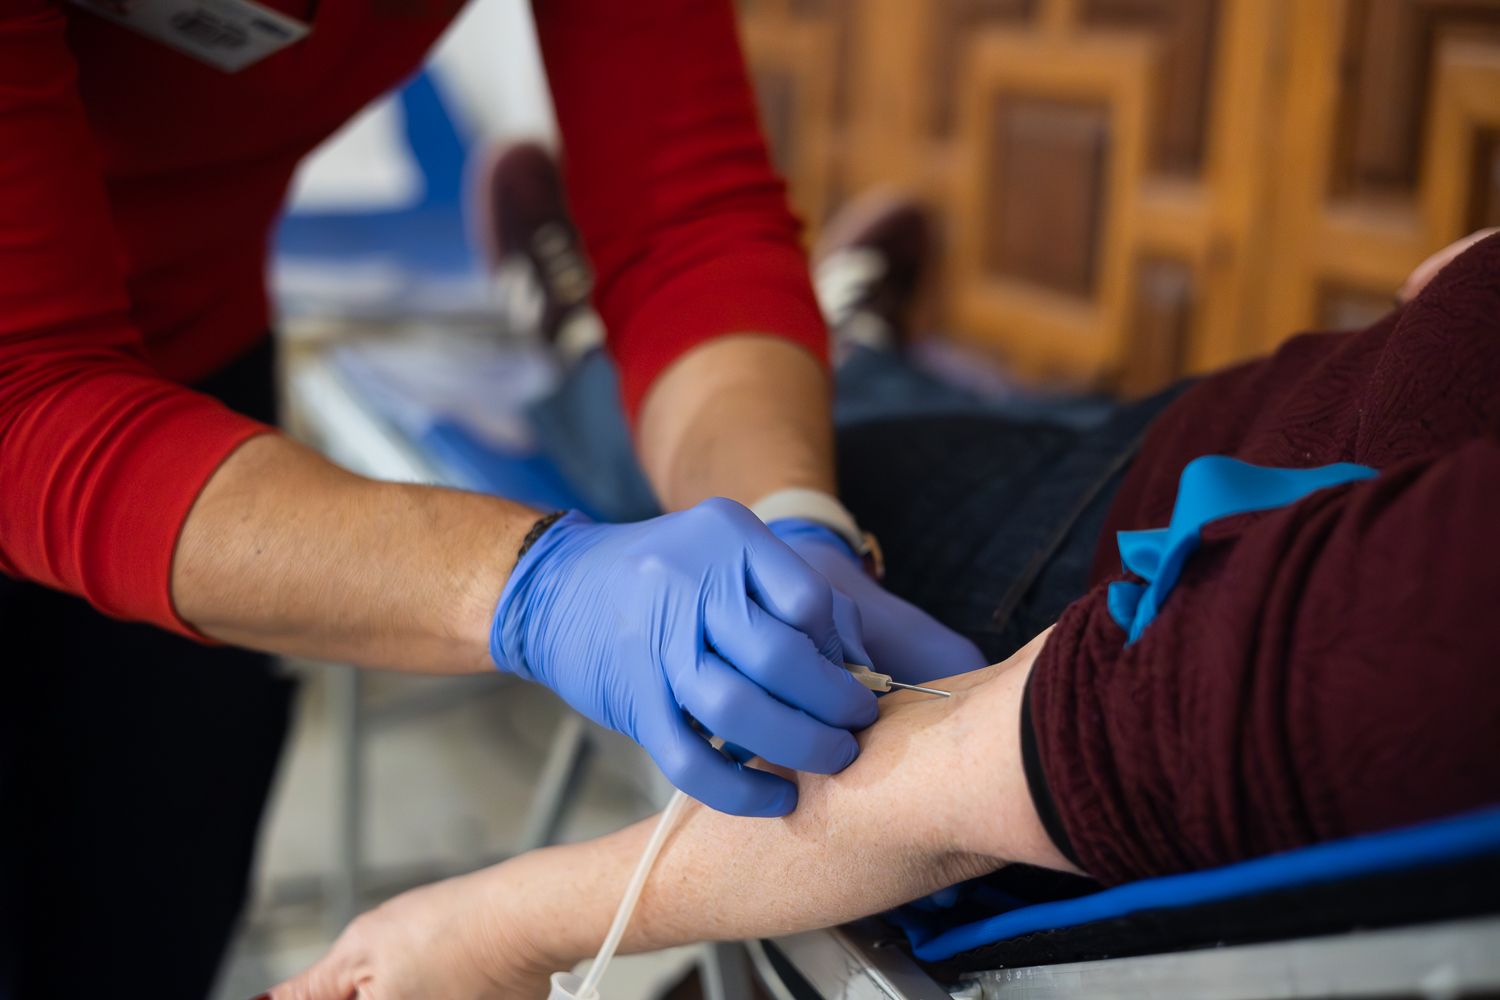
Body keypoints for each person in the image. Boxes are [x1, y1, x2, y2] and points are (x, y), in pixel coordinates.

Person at [0, 1, 982, 994]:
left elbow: (686, 218)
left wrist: (791, 513)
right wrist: (536, 589)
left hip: (187, 355)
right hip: (37, 400)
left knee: (136, 915)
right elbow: (19, 398)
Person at [272, 230, 1500, 998]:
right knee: (847, 443)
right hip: (1249, 435)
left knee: (739, 468)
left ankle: (589, 337)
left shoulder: (1329, 657)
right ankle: (839, 341)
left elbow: (1106, 727)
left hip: (1118, 547)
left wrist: (495, 925)